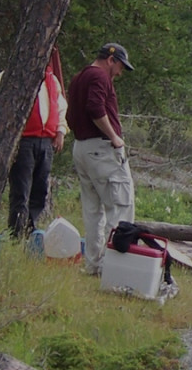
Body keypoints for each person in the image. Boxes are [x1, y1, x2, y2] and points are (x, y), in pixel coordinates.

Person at [66, 43, 135, 276]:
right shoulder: (99, 76)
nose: (120, 72)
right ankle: (114, 267)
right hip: (102, 150)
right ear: (110, 60)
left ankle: (94, 265)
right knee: (119, 206)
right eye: (120, 66)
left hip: (82, 148)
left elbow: (70, 114)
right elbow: (95, 107)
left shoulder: (79, 77)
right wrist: (114, 136)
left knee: (93, 210)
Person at [0, 55, 68, 238]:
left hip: (46, 141)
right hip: (24, 140)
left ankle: (30, 229)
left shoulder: (52, 80)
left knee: (40, 189)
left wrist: (60, 131)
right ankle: (16, 232)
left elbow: (61, 107)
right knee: (21, 188)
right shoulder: (14, 76)